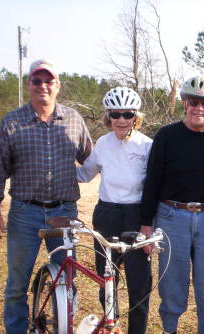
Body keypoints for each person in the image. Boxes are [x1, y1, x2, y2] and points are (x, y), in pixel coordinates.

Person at [0, 59, 93, 334]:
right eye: (37, 81)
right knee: (17, 284)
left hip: (64, 214)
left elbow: (93, 159)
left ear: (57, 86)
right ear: (29, 84)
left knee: (67, 280)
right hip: (25, 213)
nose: (43, 86)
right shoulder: (12, 122)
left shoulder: (73, 120)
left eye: (49, 81)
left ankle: (63, 328)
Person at [141, 76, 204, 334]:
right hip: (172, 217)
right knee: (172, 285)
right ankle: (170, 329)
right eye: (194, 101)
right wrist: (146, 227)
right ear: (184, 103)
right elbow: (152, 182)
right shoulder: (166, 136)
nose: (198, 108)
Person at [76, 87, 153, 334]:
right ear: (108, 116)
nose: (121, 120)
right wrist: (56, 167)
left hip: (136, 216)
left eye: (127, 114)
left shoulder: (147, 146)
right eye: (115, 114)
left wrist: (151, 224)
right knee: (106, 279)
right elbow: (85, 174)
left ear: (135, 117)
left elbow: (156, 186)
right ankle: (113, 326)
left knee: (139, 284)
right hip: (107, 215)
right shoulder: (102, 143)